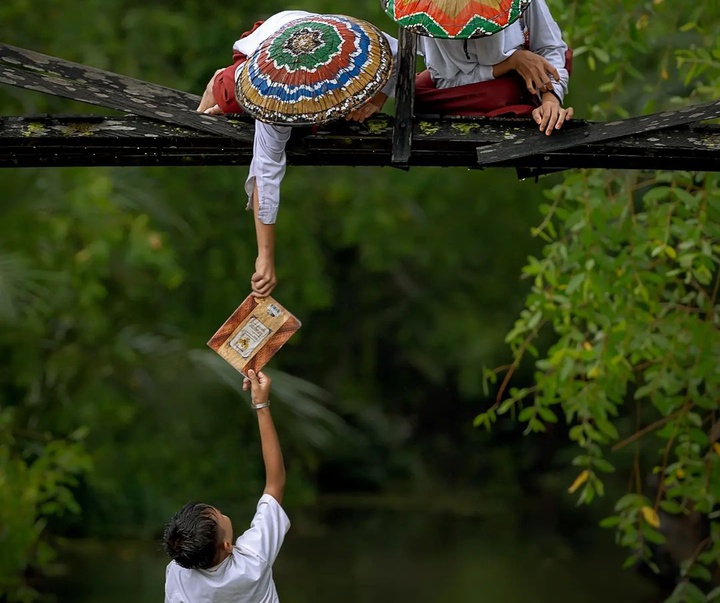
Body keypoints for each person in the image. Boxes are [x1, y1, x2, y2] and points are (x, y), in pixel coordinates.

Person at [195, 10, 398, 298]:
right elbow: (266, 174)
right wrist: (265, 257)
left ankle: (319, 112)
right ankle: (218, 85)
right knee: (227, 98)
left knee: (335, 121)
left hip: (318, 32)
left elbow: (399, 51)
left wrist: (377, 100)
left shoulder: (359, 46)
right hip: (262, 48)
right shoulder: (272, 98)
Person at [163, 369, 289, 603]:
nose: (221, 512)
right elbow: (275, 483)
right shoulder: (253, 559)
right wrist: (261, 406)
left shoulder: (178, 574)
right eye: (220, 515)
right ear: (228, 545)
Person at [414, 0, 574, 135]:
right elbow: (447, 81)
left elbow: (550, 47)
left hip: (522, 76)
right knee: (417, 91)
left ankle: (529, 102)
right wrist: (511, 62)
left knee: (511, 88)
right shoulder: (431, 11)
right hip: (469, 88)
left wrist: (550, 100)